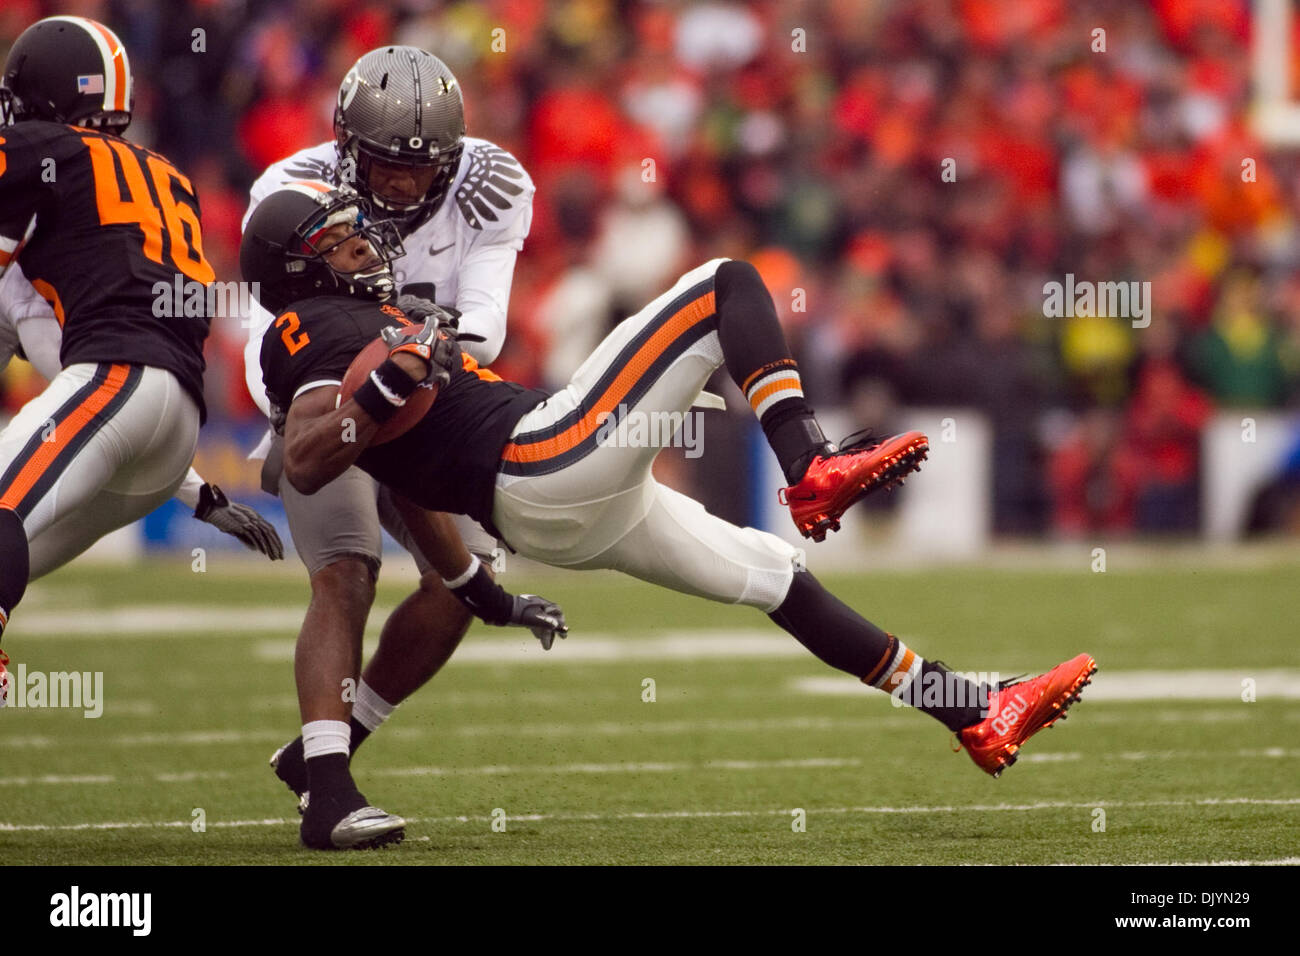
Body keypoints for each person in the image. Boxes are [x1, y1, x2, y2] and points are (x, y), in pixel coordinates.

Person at [243, 183, 1097, 845]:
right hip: (544, 458)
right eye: (344, 243)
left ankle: (971, 710)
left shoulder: (369, 321)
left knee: (777, 575)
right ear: (303, 271)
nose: (367, 248)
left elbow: (406, 477)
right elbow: (314, 458)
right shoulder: (306, 328)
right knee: (724, 285)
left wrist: (476, 588)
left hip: (555, 502)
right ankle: (810, 462)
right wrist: (386, 386)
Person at [239, 47, 537, 815]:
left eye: (421, 165)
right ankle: (330, 794)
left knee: (466, 576)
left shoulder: (491, 182)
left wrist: (416, 356)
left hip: (419, 406)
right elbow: (267, 333)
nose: (403, 182)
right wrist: (306, 414)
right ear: (346, 145)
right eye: (386, 163)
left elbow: (486, 325)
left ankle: (330, 748)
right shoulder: (292, 189)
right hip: (328, 404)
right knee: (347, 571)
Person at [0, 17, 279, 695]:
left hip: (118, 383)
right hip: (169, 431)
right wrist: (197, 491)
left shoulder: (43, 149)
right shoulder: (164, 175)